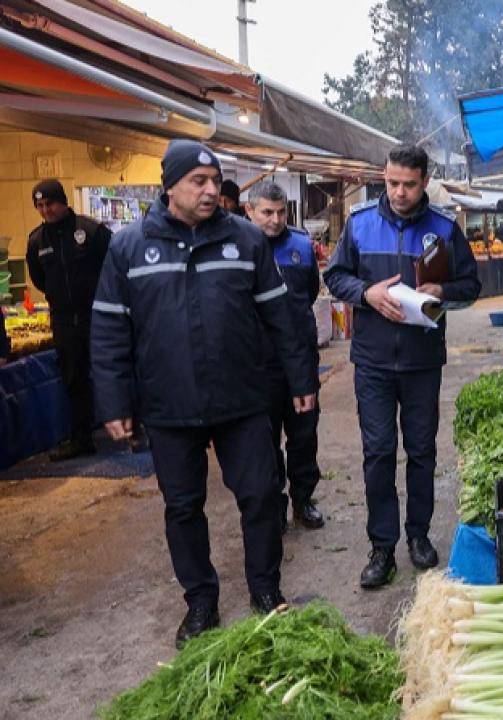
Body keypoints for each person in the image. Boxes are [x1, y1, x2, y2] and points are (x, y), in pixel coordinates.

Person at [92, 140, 317, 647]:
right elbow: (108, 330)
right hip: (168, 406)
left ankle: (265, 589)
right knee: (183, 507)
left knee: (261, 494)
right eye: (199, 182)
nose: (211, 190)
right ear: (170, 185)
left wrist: (303, 380)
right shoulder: (129, 246)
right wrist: (113, 403)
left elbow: (281, 317)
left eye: (215, 181)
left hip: (241, 398)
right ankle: (200, 601)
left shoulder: (246, 240)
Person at [323, 144, 481, 589]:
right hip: (372, 361)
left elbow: (471, 285)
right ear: (384, 176)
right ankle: (381, 547)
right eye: (392, 182)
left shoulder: (445, 231)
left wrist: (443, 290)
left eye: (408, 184)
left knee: (422, 451)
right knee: (377, 454)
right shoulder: (359, 225)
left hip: (421, 361)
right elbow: (335, 277)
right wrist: (366, 294)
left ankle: (419, 536)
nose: (399, 192)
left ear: (425, 181)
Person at [244, 182, 325, 531]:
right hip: (257, 363)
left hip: (300, 359)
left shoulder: (301, 247)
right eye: (267, 213)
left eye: (281, 212)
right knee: (264, 439)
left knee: (303, 435)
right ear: (250, 211)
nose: (275, 220)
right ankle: (273, 502)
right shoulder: (238, 248)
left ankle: (303, 499)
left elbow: (309, 292)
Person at [26, 179, 112, 461]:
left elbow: (113, 268)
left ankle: (134, 427)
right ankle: (82, 438)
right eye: (39, 206)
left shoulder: (91, 231)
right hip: (63, 320)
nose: (45, 210)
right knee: (73, 378)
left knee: (111, 371)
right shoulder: (37, 241)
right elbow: (39, 278)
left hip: (97, 314)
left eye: (49, 204)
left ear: (62, 201)